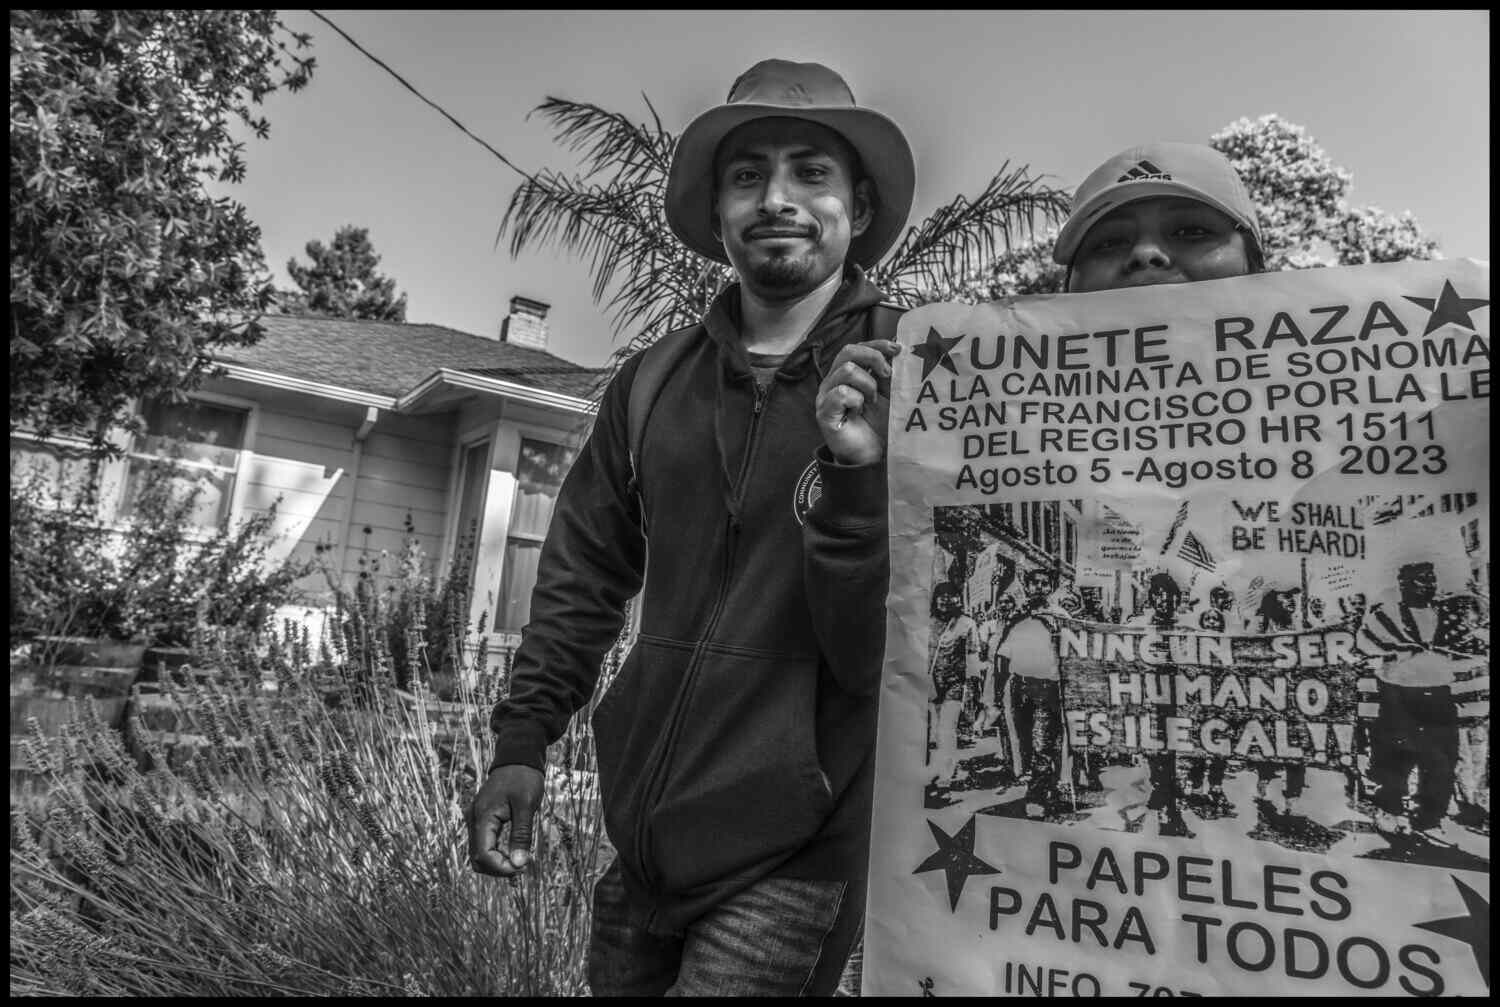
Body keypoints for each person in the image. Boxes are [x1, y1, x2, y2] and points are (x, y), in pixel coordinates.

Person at [466, 58, 915, 996]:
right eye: (747, 176)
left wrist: (858, 478)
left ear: (860, 209)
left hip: (796, 855)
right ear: (716, 216)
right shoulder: (652, 381)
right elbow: (583, 574)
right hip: (643, 839)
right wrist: (523, 739)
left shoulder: (917, 375)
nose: (777, 198)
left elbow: (908, 638)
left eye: (811, 172)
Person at [1053, 140, 1270, 836]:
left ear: (1258, 272)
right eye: (1112, 240)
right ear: (1069, 291)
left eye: (1190, 232)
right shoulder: (963, 433)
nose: (1147, 256)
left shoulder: (1394, 416)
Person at [1358, 561, 1479, 838]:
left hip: (1438, 695)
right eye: (1423, 579)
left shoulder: (1446, 615)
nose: (1430, 584)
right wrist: (1396, 652)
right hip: (1398, 694)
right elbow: (1364, 646)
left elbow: (1466, 646)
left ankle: (1429, 817)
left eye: (1432, 578)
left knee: (1442, 759)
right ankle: (1390, 810)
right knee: (1394, 755)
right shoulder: (1385, 616)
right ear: (1405, 584)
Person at [996, 567, 1067, 817]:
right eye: (1034, 583)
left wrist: (1055, 627)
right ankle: (1047, 786)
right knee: (1024, 743)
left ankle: (1036, 797)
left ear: (1052, 587)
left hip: (1048, 687)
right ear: (1027, 586)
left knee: (1042, 744)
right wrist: (998, 689)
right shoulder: (1017, 616)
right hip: (1019, 686)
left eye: (1044, 583)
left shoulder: (1060, 616)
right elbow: (1002, 653)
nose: (1038, 587)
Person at [927, 582, 981, 787]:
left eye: (950, 595)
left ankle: (945, 774)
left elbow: (972, 655)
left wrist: (973, 690)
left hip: (954, 684)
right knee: (930, 731)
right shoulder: (926, 622)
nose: (945, 599)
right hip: (928, 682)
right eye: (941, 595)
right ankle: (932, 768)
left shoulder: (967, 624)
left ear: (958, 599)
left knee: (946, 729)